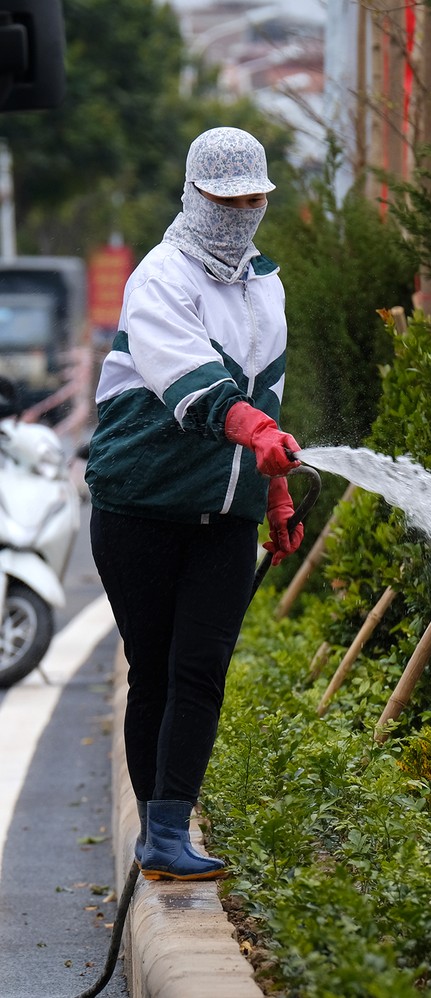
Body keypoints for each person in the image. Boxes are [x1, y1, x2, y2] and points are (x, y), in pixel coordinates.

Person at [85, 126, 304, 881]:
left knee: (201, 668)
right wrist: (247, 426)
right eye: (226, 199)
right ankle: (155, 832)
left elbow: (264, 395)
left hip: (225, 518)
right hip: (139, 509)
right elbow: (188, 378)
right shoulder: (161, 277)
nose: (241, 212)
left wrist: (274, 494)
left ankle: (171, 828)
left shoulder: (264, 285)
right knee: (154, 667)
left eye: (253, 199)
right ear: (195, 196)